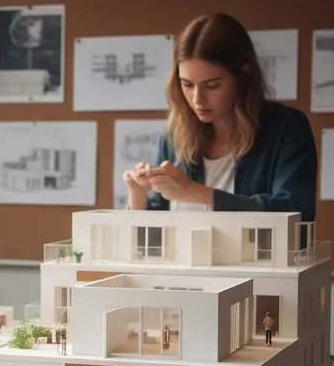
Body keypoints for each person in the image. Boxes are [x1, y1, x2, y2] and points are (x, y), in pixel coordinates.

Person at [123, 14, 318, 222]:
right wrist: (138, 193)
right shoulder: (174, 137)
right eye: (187, 84)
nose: (198, 99)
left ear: (244, 76)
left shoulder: (287, 129)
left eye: (212, 85)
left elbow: (296, 212)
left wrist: (196, 192)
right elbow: (152, 236)